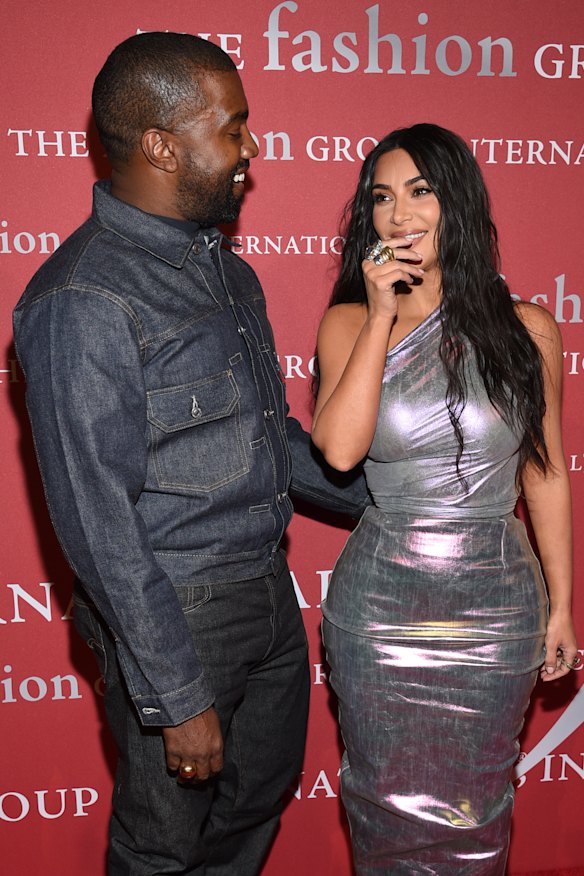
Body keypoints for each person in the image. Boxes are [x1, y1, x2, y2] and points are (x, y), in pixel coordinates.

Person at [13, 32, 369, 876]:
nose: (251, 148)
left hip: (265, 592)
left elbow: (266, 437)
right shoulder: (83, 298)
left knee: (253, 804)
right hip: (177, 612)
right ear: (162, 145)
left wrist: (402, 494)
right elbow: (97, 522)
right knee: (163, 844)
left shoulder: (225, 272)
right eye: (233, 126)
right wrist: (176, 697)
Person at [311, 123, 578, 874]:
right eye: (382, 198)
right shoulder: (349, 323)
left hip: (497, 606)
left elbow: (546, 472)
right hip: (380, 611)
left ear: (454, 201)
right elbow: (337, 449)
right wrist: (381, 314)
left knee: (478, 810)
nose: (399, 215)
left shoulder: (529, 330)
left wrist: (561, 605)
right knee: (382, 805)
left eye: (420, 192)